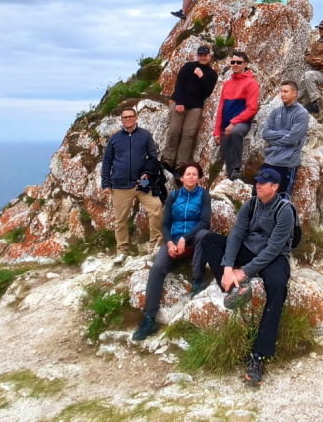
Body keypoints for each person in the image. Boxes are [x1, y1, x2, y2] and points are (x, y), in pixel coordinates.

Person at [196, 168, 296, 386]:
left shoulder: (285, 210)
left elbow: (273, 248)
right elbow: (235, 236)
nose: (257, 185)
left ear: (275, 187)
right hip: (249, 249)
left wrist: (245, 271)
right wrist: (228, 268)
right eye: (257, 182)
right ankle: (234, 289)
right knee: (209, 240)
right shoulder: (250, 205)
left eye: (263, 183)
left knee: (278, 285)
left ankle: (258, 355)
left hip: (274, 256)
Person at [132, 163, 211, 341]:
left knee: (204, 235)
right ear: (181, 178)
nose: (191, 177)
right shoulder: (174, 196)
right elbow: (166, 224)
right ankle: (149, 318)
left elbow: (204, 221)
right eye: (187, 174)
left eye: (194, 174)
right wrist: (169, 243)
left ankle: (197, 280)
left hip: (193, 240)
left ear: (199, 178)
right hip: (173, 241)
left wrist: (185, 238)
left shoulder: (204, 196)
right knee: (157, 269)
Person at [101, 107, 163, 258]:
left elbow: (153, 156)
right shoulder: (114, 139)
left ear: (136, 118)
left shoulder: (145, 135)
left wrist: (147, 174)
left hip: (142, 183)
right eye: (125, 117)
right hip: (119, 185)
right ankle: (122, 251)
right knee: (120, 219)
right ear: (121, 120)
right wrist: (106, 183)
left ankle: (155, 246)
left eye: (130, 116)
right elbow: (107, 161)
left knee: (156, 208)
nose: (128, 119)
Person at [162, 46, 218, 172]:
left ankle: (180, 165)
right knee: (174, 131)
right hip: (178, 102)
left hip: (195, 107)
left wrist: (201, 76)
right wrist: (180, 103)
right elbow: (179, 85)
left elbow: (208, 91)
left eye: (205, 55)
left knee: (189, 135)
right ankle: (167, 161)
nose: (203, 57)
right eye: (200, 55)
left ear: (209, 56)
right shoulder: (188, 67)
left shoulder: (212, 74)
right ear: (197, 56)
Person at [214, 51, 260, 180]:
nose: (235, 64)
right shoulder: (227, 84)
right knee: (225, 147)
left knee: (235, 133)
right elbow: (220, 108)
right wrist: (217, 131)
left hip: (242, 122)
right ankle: (231, 178)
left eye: (238, 62)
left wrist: (233, 123)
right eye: (232, 62)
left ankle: (236, 169)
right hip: (226, 123)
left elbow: (251, 108)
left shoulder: (251, 83)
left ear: (245, 64)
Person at [259, 81, 309, 196]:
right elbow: (265, 133)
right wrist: (285, 132)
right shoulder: (275, 112)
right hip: (270, 159)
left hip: (287, 163)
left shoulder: (301, 113)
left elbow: (292, 139)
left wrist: (272, 142)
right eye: (281, 91)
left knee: (280, 199)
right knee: (258, 195)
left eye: (286, 91)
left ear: (295, 93)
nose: (282, 94)